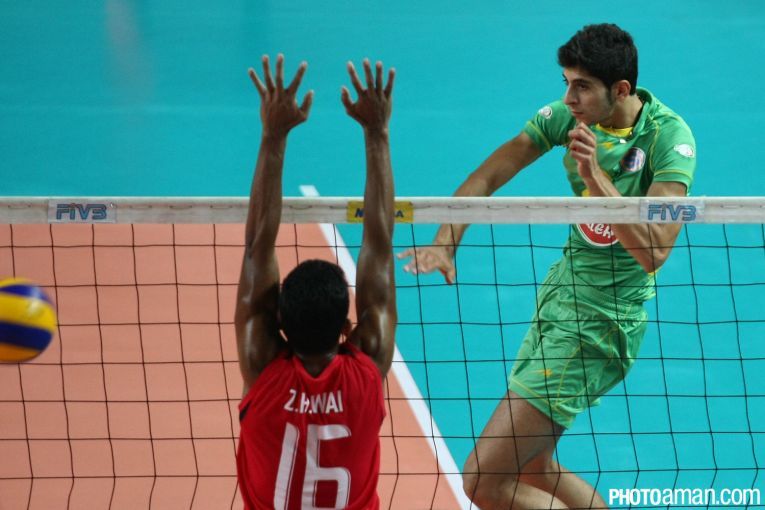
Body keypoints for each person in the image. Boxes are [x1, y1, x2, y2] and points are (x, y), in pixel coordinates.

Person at [398, 24, 696, 509]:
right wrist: (445, 242)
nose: (568, 98)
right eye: (566, 83)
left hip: (602, 324)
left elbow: (654, 252)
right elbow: (489, 174)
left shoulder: (669, 139)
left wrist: (596, 178)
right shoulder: (569, 117)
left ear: (621, 90)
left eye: (582, 87)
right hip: (559, 302)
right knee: (534, 466)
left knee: (481, 481)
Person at [235, 54, 396, 510]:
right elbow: (379, 246)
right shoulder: (368, 365)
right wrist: (377, 133)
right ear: (348, 328)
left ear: (279, 321)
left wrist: (273, 135)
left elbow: (257, 248)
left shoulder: (261, 364)